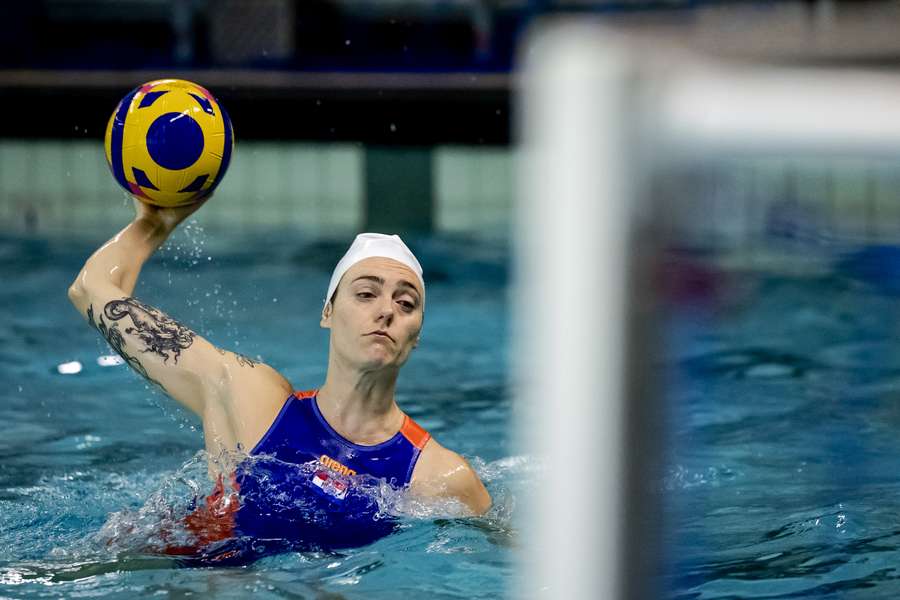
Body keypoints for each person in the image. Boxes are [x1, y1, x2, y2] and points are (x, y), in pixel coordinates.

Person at [67, 198, 491, 560]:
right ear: (328, 312)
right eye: (365, 293)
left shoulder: (439, 477)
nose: (386, 311)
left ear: (416, 336)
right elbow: (90, 291)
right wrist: (153, 223)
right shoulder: (253, 399)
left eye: (406, 302)